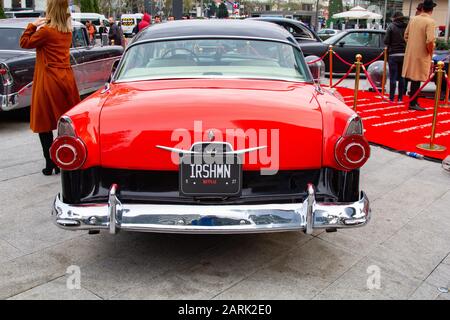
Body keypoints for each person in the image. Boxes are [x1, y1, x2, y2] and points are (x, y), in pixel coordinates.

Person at [19, 0, 80, 176]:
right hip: (65, 78)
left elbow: (25, 42)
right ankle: (64, 158)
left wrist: (32, 25)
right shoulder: (66, 31)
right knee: (64, 122)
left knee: (44, 123)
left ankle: (50, 162)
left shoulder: (46, 31)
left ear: (51, 10)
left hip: (48, 79)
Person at [402, 0, 436, 111]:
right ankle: (413, 102)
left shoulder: (413, 19)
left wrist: (413, 45)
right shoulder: (430, 21)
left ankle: (412, 101)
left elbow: (406, 35)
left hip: (411, 53)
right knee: (417, 79)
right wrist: (430, 52)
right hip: (422, 54)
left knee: (413, 78)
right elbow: (430, 40)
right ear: (431, 10)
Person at [384, 12, 407, 103]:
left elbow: (386, 40)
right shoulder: (406, 26)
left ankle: (392, 98)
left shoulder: (391, 26)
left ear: (394, 18)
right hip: (404, 54)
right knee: (402, 77)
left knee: (393, 77)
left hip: (393, 54)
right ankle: (400, 98)